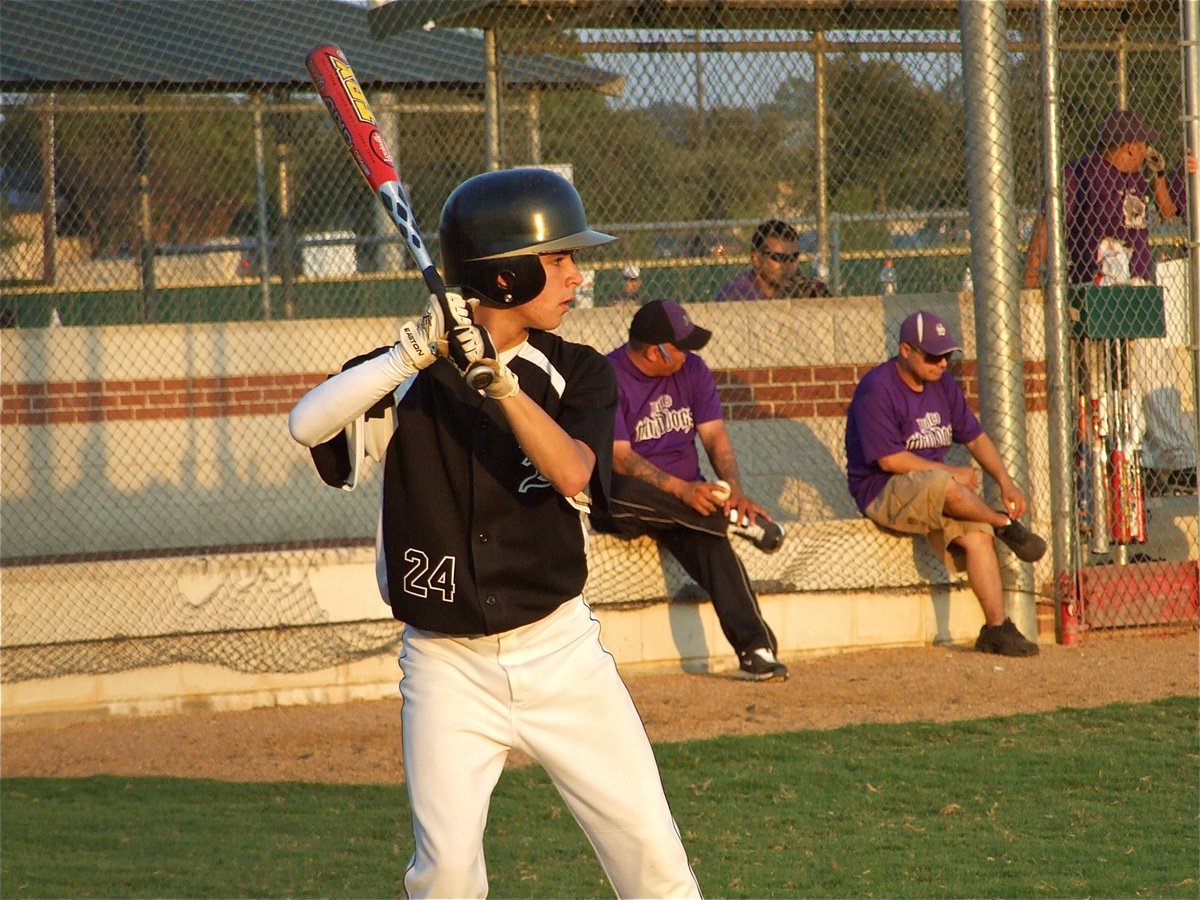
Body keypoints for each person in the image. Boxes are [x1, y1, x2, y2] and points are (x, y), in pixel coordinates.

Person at [288, 168, 700, 899]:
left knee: (652, 856)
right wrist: (407, 357)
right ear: (505, 277)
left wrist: (501, 385)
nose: (578, 275)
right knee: (443, 875)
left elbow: (573, 472)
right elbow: (307, 423)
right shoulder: (409, 370)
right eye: (559, 260)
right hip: (447, 666)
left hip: (560, 655)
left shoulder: (577, 372)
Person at [592, 299, 789, 681]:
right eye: (682, 346)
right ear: (654, 351)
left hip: (690, 503)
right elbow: (619, 458)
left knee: (711, 542)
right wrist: (683, 491)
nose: (691, 354)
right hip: (628, 499)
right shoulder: (608, 375)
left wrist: (734, 491)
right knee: (629, 490)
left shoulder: (693, 370)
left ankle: (755, 650)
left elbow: (716, 438)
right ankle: (724, 517)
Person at [844, 310, 1047, 658]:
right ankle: (1005, 524)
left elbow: (975, 436)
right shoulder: (877, 388)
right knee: (949, 483)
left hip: (932, 487)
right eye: (932, 356)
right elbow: (889, 461)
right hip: (882, 490)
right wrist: (951, 475)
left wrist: (1005, 481)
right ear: (906, 350)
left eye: (947, 356)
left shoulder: (943, 384)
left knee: (977, 535)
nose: (941, 364)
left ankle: (996, 628)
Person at [1023, 108, 1196, 288]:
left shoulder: (1136, 178)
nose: (1147, 151)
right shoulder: (1080, 173)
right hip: (1096, 286)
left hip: (1138, 285)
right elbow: (1047, 222)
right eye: (1145, 144)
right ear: (1131, 148)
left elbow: (1166, 211)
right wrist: (1031, 274)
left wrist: (1161, 175)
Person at [714, 218, 830, 301]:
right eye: (779, 257)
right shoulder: (740, 293)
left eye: (793, 257)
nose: (787, 265)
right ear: (757, 259)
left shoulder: (798, 289)